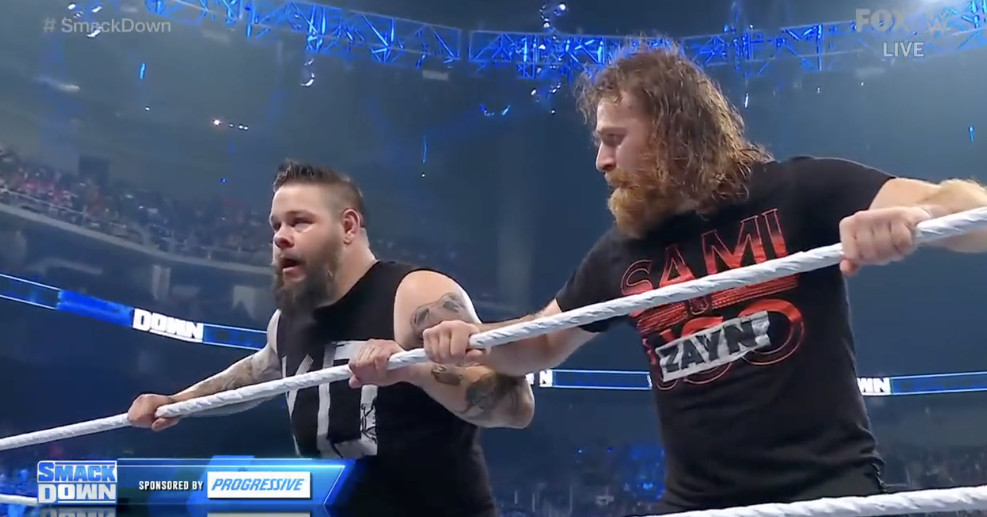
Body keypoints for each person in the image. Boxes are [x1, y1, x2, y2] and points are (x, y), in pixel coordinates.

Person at [419, 45, 987, 513]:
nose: (601, 161)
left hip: (823, 492)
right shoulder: (621, 253)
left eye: (614, 139)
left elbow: (970, 211)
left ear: (673, 132)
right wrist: (475, 339)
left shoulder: (798, 191)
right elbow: (540, 344)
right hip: (697, 505)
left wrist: (916, 217)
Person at [127, 160, 535, 517]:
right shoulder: (287, 322)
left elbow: (517, 406)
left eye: (299, 222)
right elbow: (255, 375)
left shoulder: (415, 294)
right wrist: (177, 403)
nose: (280, 237)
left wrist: (416, 370)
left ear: (348, 227)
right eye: (276, 225)